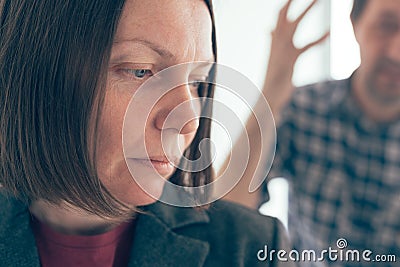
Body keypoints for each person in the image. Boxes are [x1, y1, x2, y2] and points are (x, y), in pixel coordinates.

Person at [0, 0, 295, 266]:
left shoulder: (251, 248)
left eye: (196, 81)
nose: (189, 121)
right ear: (38, 73)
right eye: (141, 71)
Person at [221, 0, 400, 265]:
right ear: (354, 23)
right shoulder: (304, 109)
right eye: (386, 26)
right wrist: (270, 96)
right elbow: (226, 215)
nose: (396, 52)